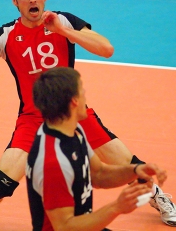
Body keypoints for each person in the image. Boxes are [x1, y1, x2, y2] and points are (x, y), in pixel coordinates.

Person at [0, 0, 176, 230]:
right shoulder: (5, 35)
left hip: (74, 114)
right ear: (14, 1)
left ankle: (158, 196)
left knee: (130, 165)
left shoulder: (64, 21)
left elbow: (106, 49)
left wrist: (64, 32)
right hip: (33, 119)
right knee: (0, 184)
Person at [27, 66, 167, 231]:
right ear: (74, 101)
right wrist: (116, 207)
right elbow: (64, 227)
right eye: (82, 90)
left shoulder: (73, 130)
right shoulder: (53, 162)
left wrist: (136, 170)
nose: (85, 93)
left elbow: (98, 174)